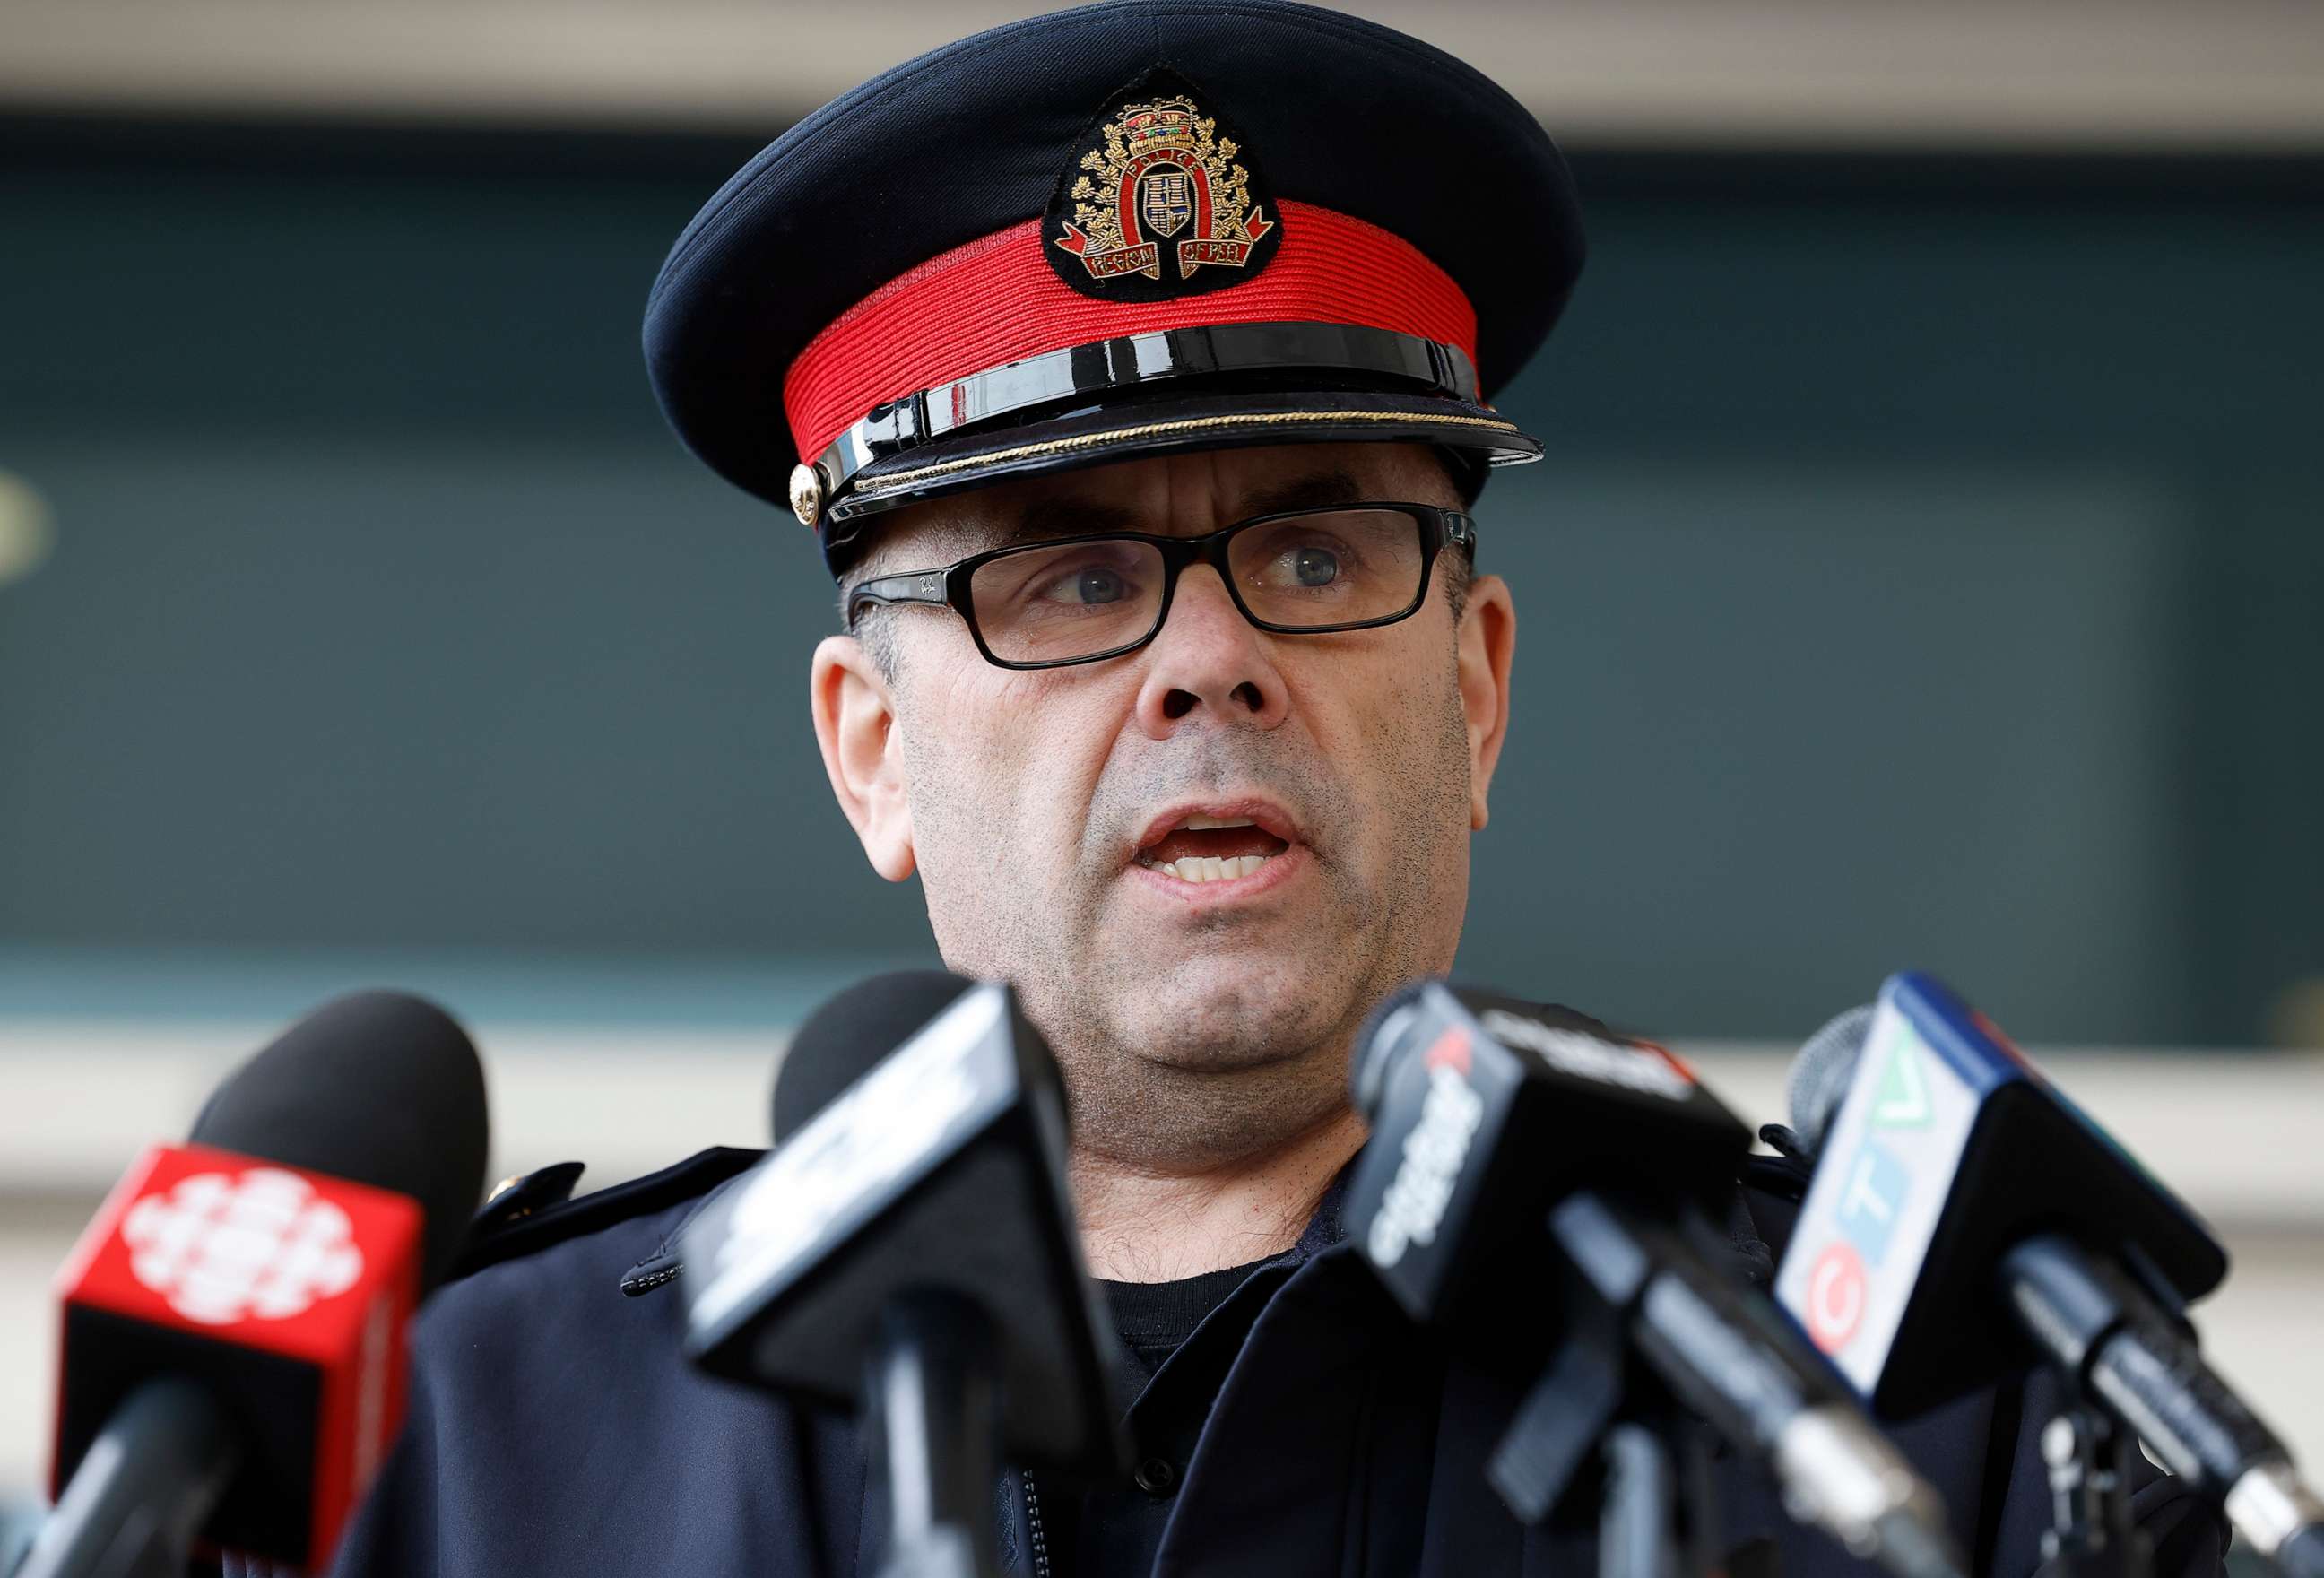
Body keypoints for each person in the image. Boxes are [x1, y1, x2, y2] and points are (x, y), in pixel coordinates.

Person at [310, 4, 2229, 1575]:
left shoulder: (1925, 1404)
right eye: (1067, 578)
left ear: (1472, 694)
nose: (1208, 661)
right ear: (873, 753)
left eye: (1314, 558)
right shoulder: (483, 1438)